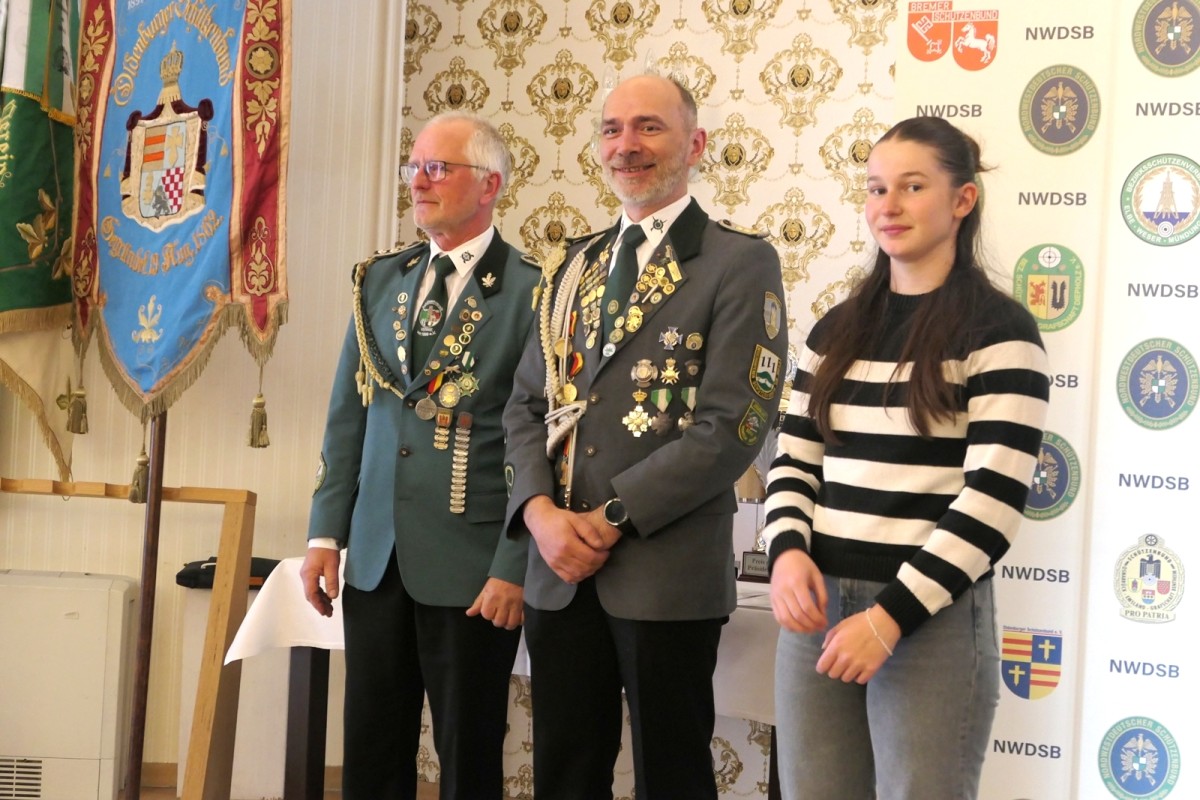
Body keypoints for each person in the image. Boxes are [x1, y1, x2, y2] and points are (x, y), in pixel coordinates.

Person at [502, 74, 788, 799]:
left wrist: (610, 518)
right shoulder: (573, 266)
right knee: (565, 777)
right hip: (558, 573)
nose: (626, 145)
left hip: (667, 575)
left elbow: (734, 425)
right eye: (612, 129)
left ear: (694, 144)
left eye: (649, 127)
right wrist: (539, 515)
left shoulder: (737, 261)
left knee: (672, 777)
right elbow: (526, 406)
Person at [763, 116, 1051, 799]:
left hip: (929, 621)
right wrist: (787, 553)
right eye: (876, 188)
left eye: (912, 187)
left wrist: (888, 617)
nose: (887, 206)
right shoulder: (836, 330)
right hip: (818, 611)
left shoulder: (1000, 331)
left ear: (962, 200)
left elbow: (992, 503)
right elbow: (794, 462)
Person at [300, 111, 539, 800]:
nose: (419, 181)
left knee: (468, 754)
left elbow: (539, 439)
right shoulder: (380, 280)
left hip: (472, 563)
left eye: (438, 168)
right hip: (376, 557)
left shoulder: (531, 291)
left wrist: (514, 563)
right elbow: (349, 415)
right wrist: (325, 534)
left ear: (490, 185)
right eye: (415, 167)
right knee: (372, 750)